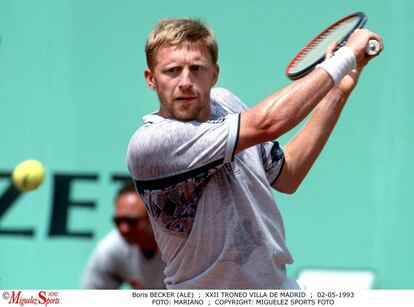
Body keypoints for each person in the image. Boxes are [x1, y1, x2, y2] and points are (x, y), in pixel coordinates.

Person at [126, 18, 383, 289]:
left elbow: (288, 175)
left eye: (197, 69)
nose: (186, 82)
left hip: (276, 291)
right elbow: (269, 123)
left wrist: (336, 92)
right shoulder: (152, 144)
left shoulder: (225, 103)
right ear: (151, 80)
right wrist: (346, 56)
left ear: (214, 74)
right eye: (172, 71)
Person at [81, 182, 166, 289]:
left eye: (131, 221)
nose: (123, 229)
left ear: (153, 219)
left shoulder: (181, 245)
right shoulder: (111, 249)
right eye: (118, 221)